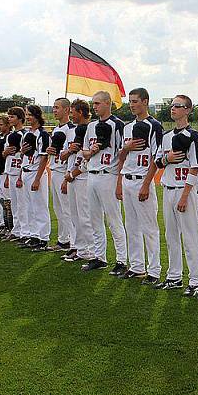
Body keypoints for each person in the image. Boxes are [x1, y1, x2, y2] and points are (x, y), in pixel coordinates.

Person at [154, 95, 198, 296]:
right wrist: (167, 159)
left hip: (185, 191)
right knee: (171, 236)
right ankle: (174, 276)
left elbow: (196, 166)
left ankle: (195, 281)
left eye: (178, 106)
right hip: (168, 189)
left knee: (190, 237)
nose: (173, 109)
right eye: (172, 105)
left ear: (188, 110)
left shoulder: (193, 136)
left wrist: (185, 195)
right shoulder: (166, 136)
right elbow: (158, 162)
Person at [115, 88, 163, 283]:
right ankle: (136, 266)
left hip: (143, 180)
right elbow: (121, 157)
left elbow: (156, 157)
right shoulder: (127, 128)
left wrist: (146, 184)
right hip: (127, 179)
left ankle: (154, 271)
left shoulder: (154, 126)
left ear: (145, 101)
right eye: (130, 102)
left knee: (149, 228)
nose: (132, 105)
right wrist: (119, 182)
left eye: (135, 101)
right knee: (131, 226)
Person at [77, 91, 128, 273]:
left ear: (108, 103)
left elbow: (123, 153)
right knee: (95, 219)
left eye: (98, 103)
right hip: (92, 174)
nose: (95, 106)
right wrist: (90, 151)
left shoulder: (118, 125)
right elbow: (84, 151)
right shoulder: (91, 126)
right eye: (94, 103)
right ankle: (99, 257)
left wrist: (119, 179)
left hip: (109, 174)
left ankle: (122, 260)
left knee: (114, 220)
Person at [61, 99, 92, 263]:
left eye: (72, 112)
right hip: (72, 175)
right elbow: (67, 156)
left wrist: (73, 174)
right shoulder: (73, 132)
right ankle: (80, 249)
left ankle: (91, 251)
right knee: (75, 215)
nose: (71, 115)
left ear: (80, 112)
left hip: (84, 176)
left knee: (85, 216)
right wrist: (68, 175)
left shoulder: (90, 130)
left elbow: (89, 159)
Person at [16, 104, 50, 250]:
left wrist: (37, 178)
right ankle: (34, 235)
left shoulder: (42, 134)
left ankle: (43, 238)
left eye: (29, 114)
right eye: (26, 114)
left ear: (36, 115)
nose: (28, 117)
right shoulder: (27, 133)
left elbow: (44, 158)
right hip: (26, 171)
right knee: (29, 207)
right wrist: (21, 152)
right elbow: (23, 155)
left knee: (40, 206)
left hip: (36, 173)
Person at [46, 97, 75, 251]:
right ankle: (63, 240)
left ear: (66, 109)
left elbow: (72, 153)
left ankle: (72, 241)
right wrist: (50, 151)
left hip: (64, 171)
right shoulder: (56, 129)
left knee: (67, 208)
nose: (54, 110)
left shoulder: (71, 129)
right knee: (58, 208)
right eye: (54, 107)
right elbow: (54, 151)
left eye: (57, 107)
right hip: (54, 169)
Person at [1, 107, 28, 239]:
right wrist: (5, 153)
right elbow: (5, 155)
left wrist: (20, 175)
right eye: (9, 116)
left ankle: (25, 231)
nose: (10, 119)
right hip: (10, 170)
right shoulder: (10, 136)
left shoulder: (25, 134)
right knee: (15, 204)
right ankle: (17, 230)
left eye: (12, 116)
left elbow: (26, 156)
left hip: (20, 172)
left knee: (23, 204)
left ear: (20, 118)